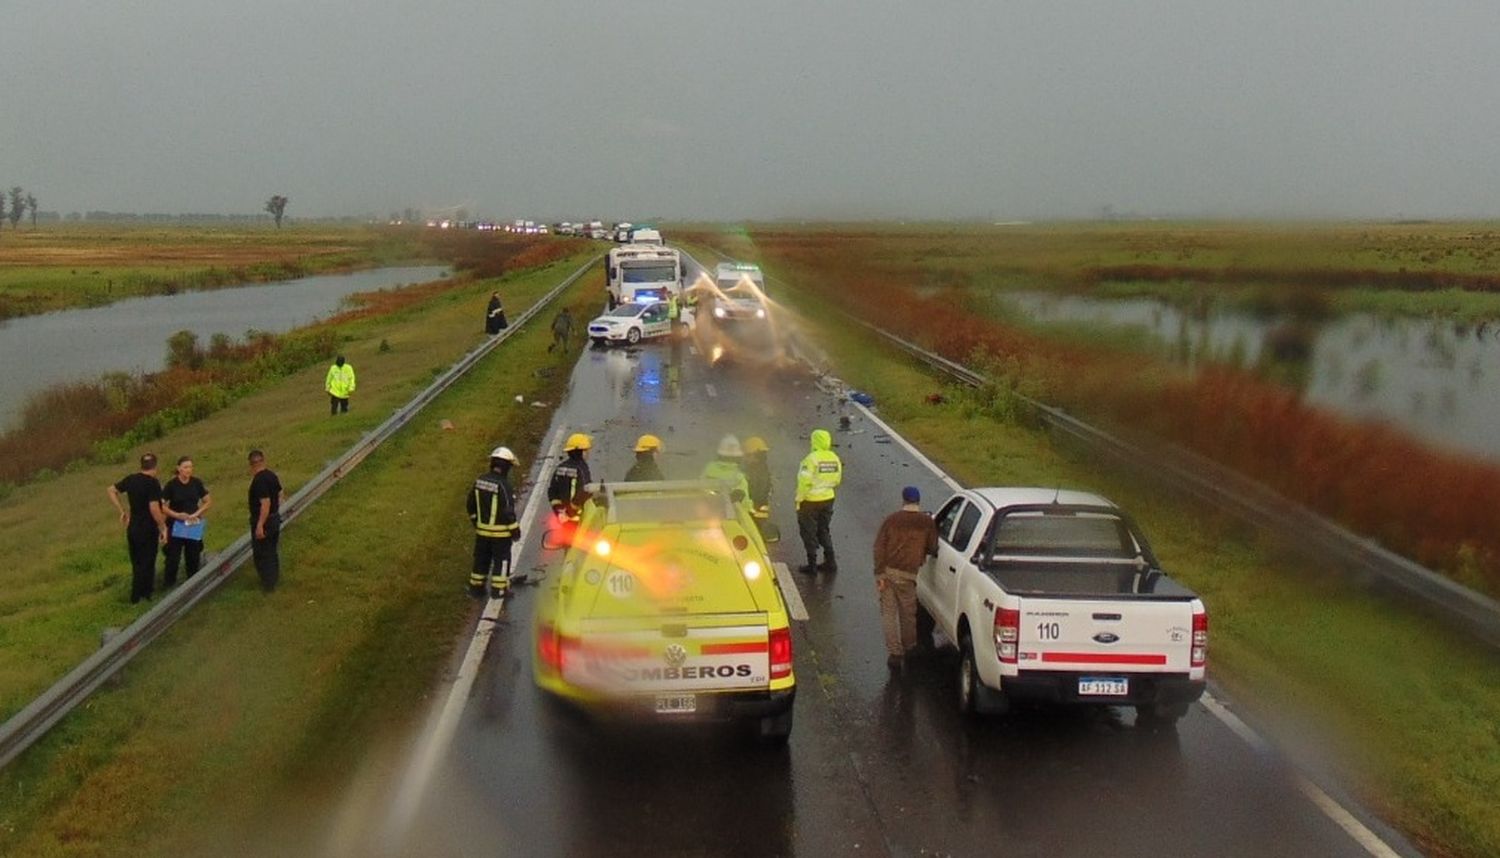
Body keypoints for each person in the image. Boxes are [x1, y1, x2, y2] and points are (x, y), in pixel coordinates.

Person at [873, 486, 939, 670]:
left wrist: (879, 573)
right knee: (908, 613)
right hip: (909, 574)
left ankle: (895, 654)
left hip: (888, 572)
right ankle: (909, 647)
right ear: (918, 501)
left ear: (903, 500)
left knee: (888, 613)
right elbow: (933, 547)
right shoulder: (927, 522)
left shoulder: (891, 520)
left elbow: (879, 547)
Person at [107, 453, 168, 603]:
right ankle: (144, 595)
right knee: (148, 561)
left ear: (141, 465)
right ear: (155, 467)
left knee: (136, 561)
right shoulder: (152, 483)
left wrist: (122, 510)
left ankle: (136, 595)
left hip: (133, 526)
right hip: (148, 528)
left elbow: (111, 490)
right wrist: (163, 527)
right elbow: (154, 508)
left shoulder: (131, 479)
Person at [468, 446, 521, 597]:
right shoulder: (504, 486)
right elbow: (508, 511)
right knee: (502, 561)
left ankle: (476, 588)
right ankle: (499, 589)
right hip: (501, 536)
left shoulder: (480, 481)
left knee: (481, 559)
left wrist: (476, 521)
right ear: (506, 466)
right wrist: (515, 530)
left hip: (482, 533)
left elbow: (470, 504)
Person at [795, 428, 843, 574]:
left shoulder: (811, 459)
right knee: (823, 529)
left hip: (810, 500)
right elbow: (837, 479)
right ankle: (830, 561)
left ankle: (812, 565)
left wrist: (799, 498)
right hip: (828, 498)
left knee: (808, 531)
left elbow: (804, 481)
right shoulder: (834, 458)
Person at [161, 455, 212, 587]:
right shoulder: (171, 485)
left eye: (190, 467)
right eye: (185, 467)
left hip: (193, 523)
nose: (188, 470)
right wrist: (176, 515)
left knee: (193, 555)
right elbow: (162, 505)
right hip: (176, 524)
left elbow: (208, 501)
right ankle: (169, 583)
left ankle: (193, 582)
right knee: (173, 556)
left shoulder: (196, 483)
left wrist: (197, 513)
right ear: (179, 469)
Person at [247, 449, 285, 593]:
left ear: (251, 465)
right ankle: (274, 578)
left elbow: (265, 503)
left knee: (262, 553)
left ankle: (268, 584)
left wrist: (260, 525)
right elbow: (280, 493)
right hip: (274, 518)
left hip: (265, 521)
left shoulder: (259, 480)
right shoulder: (272, 475)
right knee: (271, 550)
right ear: (263, 460)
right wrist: (276, 511)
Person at [548, 433, 593, 522]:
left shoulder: (560, 467)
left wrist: (559, 511)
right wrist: (573, 510)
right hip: (577, 517)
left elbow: (552, 491)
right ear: (581, 452)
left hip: (562, 517)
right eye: (586, 450)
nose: (588, 453)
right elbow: (585, 490)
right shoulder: (581, 468)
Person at [702, 435, 751, 509]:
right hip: (730, 516)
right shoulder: (739, 477)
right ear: (738, 457)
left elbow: (701, 490)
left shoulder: (709, 468)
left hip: (707, 512)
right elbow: (746, 507)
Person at [743, 436, 772, 523]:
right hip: (756, 513)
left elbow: (755, 493)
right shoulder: (762, 469)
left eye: (747, 455)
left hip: (753, 515)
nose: (745, 458)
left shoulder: (756, 472)